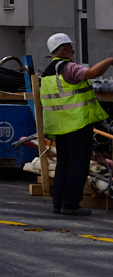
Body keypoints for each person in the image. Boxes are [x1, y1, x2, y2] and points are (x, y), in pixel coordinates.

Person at [41, 33, 113, 216]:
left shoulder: (49, 71)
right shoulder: (68, 67)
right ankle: (71, 204)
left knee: (63, 164)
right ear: (63, 50)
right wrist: (110, 60)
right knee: (77, 165)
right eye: (70, 47)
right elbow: (92, 73)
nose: (73, 50)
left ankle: (59, 203)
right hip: (77, 124)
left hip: (61, 125)